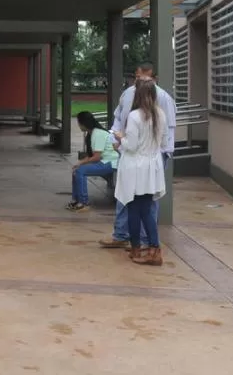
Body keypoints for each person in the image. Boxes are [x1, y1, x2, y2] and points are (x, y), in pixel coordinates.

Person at [99, 63, 176, 250]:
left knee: (143, 203)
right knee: (126, 197)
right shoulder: (127, 96)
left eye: (144, 80)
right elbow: (119, 120)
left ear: (153, 80)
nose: (140, 83)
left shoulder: (163, 99)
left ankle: (142, 241)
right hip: (135, 156)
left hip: (144, 156)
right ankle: (122, 235)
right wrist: (115, 139)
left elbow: (166, 135)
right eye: (138, 78)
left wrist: (123, 141)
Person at [113, 80, 167, 266]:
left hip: (136, 168)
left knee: (135, 209)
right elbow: (164, 141)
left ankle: (144, 248)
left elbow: (132, 145)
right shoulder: (161, 114)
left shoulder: (135, 116)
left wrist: (120, 138)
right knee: (145, 209)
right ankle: (151, 249)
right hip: (153, 168)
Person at [66, 111, 118, 212]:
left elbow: (96, 157)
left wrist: (81, 163)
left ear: (84, 123)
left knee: (80, 171)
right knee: (77, 170)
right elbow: (93, 156)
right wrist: (80, 163)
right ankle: (76, 200)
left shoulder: (97, 133)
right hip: (104, 161)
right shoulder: (92, 134)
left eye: (79, 123)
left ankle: (84, 203)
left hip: (111, 163)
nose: (78, 125)